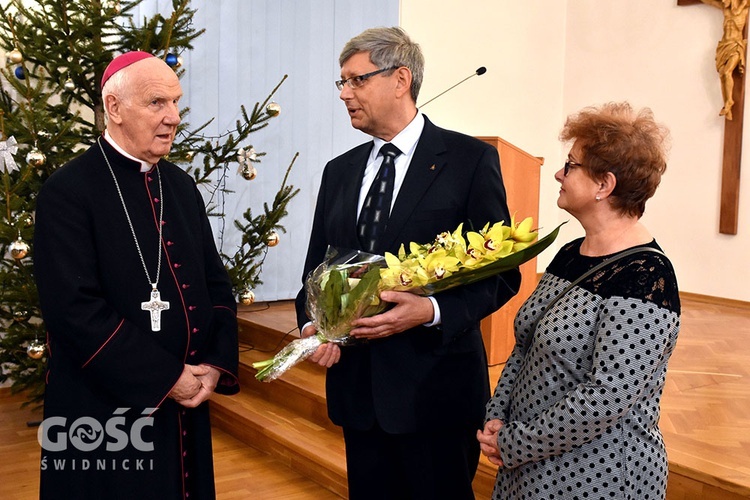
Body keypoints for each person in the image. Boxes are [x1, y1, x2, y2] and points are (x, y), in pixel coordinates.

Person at [294, 27, 521, 499]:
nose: (344, 94)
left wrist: (431, 310)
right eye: (340, 83)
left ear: (400, 79)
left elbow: (501, 273)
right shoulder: (339, 171)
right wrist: (314, 323)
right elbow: (315, 270)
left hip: (435, 393)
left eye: (355, 81)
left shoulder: (470, 161)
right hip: (358, 393)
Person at [34, 52, 239, 499]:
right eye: (157, 103)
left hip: (184, 403)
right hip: (103, 409)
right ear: (114, 107)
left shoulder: (180, 187)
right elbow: (74, 312)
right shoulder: (67, 193)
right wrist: (168, 377)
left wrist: (213, 366)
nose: (173, 117)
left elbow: (214, 284)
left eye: (176, 102)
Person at [477, 102, 681, 499]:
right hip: (530, 462)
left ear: (604, 185)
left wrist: (515, 443)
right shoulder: (572, 252)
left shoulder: (646, 276)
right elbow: (526, 344)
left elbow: (605, 397)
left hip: (596, 475)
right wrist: (498, 416)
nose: (558, 173)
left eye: (570, 165)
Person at [701, 0, 750, 120]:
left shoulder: (743, 10)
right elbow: (709, 1)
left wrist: (743, 4)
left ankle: (729, 102)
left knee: (727, 72)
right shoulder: (725, 10)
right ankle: (728, 101)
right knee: (723, 73)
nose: (723, 0)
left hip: (735, 46)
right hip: (724, 46)